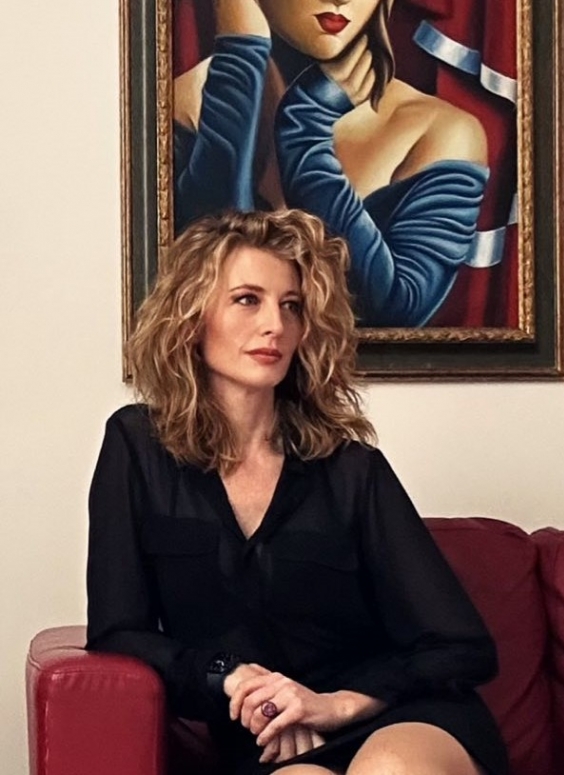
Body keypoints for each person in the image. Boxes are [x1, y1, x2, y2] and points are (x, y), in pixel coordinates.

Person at [86, 209, 508, 775]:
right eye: (247, 300)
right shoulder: (137, 447)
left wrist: (338, 704)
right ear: (191, 317)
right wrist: (229, 675)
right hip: (272, 740)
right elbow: (118, 631)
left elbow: (462, 645)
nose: (276, 325)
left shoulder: (350, 469)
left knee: (388, 770)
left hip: (393, 717)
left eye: (292, 306)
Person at [172, 0, 489, 327]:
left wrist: (304, 133)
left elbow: (394, 312)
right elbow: (204, 284)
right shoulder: (178, 107)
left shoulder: (439, 133)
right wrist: (239, 59)